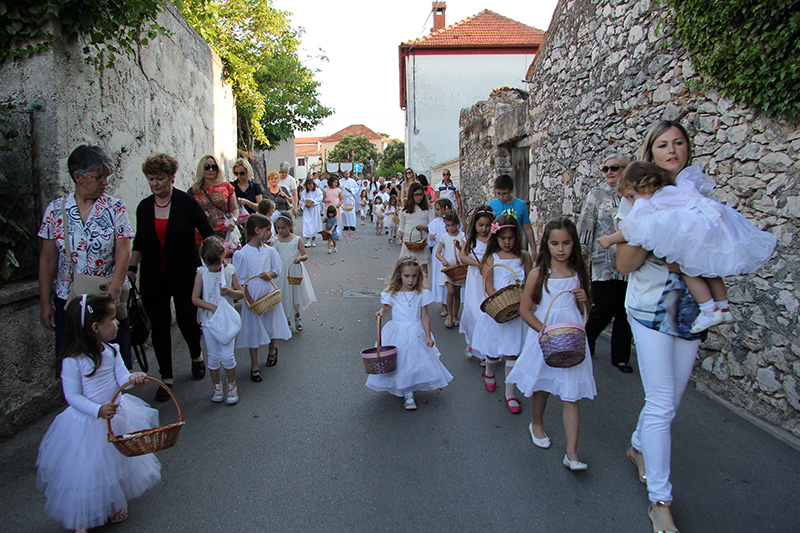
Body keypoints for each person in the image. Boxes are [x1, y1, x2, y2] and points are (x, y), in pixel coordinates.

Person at [615, 119, 722, 533]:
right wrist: (655, 225)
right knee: (660, 402)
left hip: (692, 311)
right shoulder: (637, 200)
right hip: (649, 309)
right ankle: (660, 500)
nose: (672, 150)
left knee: (671, 403)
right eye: (663, 145)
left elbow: (714, 254)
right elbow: (625, 264)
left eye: (679, 143)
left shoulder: (698, 196)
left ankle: (638, 446)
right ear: (651, 153)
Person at [600, 160, 776, 333]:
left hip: (689, 239)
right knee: (710, 270)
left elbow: (634, 229)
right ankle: (723, 306)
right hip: (710, 228)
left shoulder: (648, 203)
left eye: (631, 196)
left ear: (646, 185)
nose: (632, 202)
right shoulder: (676, 190)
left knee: (687, 269)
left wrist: (610, 239)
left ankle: (709, 310)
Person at [36, 294, 160, 532]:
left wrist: (133, 379)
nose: (117, 324)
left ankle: (114, 502)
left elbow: (122, 378)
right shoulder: (73, 360)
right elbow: (72, 396)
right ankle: (81, 516)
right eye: (112, 319)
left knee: (116, 465)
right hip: (88, 423)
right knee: (87, 472)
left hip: (116, 416)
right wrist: (97, 410)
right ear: (95, 327)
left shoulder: (112, 351)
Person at [507, 218, 596, 471]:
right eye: (555, 243)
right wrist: (544, 331)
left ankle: (572, 453)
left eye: (566, 243)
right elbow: (525, 310)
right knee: (543, 386)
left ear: (573, 244)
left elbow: (585, 310)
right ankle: (536, 423)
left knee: (571, 394)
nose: (561, 249)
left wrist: (584, 299)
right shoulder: (539, 274)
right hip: (545, 337)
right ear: (546, 244)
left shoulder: (578, 273)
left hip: (571, 337)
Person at [38, 145, 134, 367]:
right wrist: (45, 303)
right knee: (74, 362)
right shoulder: (55, 210)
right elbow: (48, 259)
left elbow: (124, 251)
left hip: (106, 296)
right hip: (70, 300)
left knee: (112, 360)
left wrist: (116, 289)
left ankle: (117, 400)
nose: (104, 183)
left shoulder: (114, 208)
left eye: (106, 177)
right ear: (77, 177)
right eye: (98, 177)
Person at [129, 153, 215, 400]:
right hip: (154, 275)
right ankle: (166, 376)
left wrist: (215, 260)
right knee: (159, 325)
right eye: (151, 179)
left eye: (160, 178)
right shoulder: (144, 207)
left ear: (171, 177)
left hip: (184, 272)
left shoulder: (186, 203)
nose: (155, 183)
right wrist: (133, 269)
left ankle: (196, 354)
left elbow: (207, 232)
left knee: (188, 321)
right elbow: (140, 241)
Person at [366, 257, 453, 410]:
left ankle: (409, 392)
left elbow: (424, 315)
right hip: (397, 332)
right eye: (407, 276)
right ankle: (404, 388)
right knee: (400, 361)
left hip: (415, 331)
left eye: (414, 276)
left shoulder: (421, 294)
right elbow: (387, 309)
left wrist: (427, 335)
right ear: (399, 275)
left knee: (412, 361)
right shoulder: (392, 294)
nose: (411, 280)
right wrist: (381, 312)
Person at [576, 155, 634, 373]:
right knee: (602, 308)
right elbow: (586, 225)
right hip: (604, 263)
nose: (609, 172)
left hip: (629, 263)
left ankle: (620, 357)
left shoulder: (632, 195)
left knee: (624, 311)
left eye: (615, 168)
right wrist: (582, 256)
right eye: (605, 168)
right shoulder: (597, 195)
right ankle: (586, 339)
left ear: (625, 170)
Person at [472, 214, 532, 414]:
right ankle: (489, 371)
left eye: (511, 238)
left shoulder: (524, 257)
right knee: (493, 350)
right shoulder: (491, 258)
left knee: (513, 351)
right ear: (495, 237)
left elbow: (531, 282)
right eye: (502, 238)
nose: (507, 242)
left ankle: (510, 392)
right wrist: (499, 301)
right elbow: (488, 284)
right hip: (498, 311)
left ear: (517, 237)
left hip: (517, 312)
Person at [232, 215, 292, 380]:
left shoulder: (270, 251)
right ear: (257, 231)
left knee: (271, 323)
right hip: (252, 297)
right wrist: (249, 299)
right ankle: (254, 364)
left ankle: (272, 348)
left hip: (268, 294)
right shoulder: (242, 254)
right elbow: (241, 279)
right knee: (253, 329)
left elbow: (277, 269)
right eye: (267, 230)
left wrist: (270, 274)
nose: (270, 234)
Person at [192, 236, 244, 404]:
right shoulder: (201, 273)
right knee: (213, 357)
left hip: (226, 321)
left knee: (228, 356)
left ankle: (231, 384)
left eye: (217, 263)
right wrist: (211, 307)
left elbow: (241, 293)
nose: (214, 267)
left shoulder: (229, 271)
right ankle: (216, 385)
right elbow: (194, 298)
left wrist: (229, 292)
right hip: (209, 321)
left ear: (223, 256)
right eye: (210, 264)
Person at [459, 206, 495, 362]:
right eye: (480, 225)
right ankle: (472, 342)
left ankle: (485, 350)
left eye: (487, 225)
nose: (484, 228)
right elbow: (463, 257)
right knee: (473, 312)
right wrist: (478, 263)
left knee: (486, 314)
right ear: (474, 225)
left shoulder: (494, 239)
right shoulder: (470, 239)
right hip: (475, 278)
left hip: (490, 278)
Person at [272, 213, 317, 332]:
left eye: (283, 228)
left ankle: (297, 316)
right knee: (283, 295)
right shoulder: (276, 240)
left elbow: (305, 255)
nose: (280, 230)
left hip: (294, 270)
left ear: (290, 226)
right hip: (281, 271)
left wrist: (300, 259)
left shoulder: (297, 240)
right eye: (278, 228)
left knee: (295, 295)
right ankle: (286, 319)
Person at [188, 155, 237, 243]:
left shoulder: (226, 187)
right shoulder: (193, 191)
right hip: (200, 235)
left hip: (223, 233)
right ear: (201, 169)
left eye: (214, 167)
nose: (210, 170)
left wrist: (233, 220)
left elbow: (234, 208)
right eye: (207, 167)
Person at [489, 174, 537, 254]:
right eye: (498, 193)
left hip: (516, 245)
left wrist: (534, 248)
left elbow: (527, 227)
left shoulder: (521, 205)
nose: (501, 197)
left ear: (511, 190)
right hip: (498, 247)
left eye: (504, 193)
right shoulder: (492, 205)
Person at [436, 210, 465, 329]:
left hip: (458, 267)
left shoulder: (462, 236)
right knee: (451, 291)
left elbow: (465, 250)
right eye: (448, 225)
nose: (451, 228)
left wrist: (459, 246)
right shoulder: (444, 236)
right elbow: (438, 253)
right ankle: (449, 314)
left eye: (453, 225)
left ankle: (455, 315)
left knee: (457, 293)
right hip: (448, 267)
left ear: (457, 224)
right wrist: (442, 260)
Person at [397, 183, 434, 275]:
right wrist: (399, 234)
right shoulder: (404, 211)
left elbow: (433, 227)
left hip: (422, 244)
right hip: (409, 244)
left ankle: (422, 289)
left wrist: (424, 228)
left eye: (421, 194)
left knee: (423, 271)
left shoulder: (427, 210)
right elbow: (401, 227)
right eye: (416, 195)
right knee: (406, 269)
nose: (419, 197)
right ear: (411, 195)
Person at [428, 198, 452, 318]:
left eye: (438, 209)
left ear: (446, 209)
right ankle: (443, 304)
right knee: (441, 278)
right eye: (435, 209)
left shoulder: (453, 222)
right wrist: (431, 238)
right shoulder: (433, 223)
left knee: (451, 278)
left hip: (450, 252)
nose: (436, 212)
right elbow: (430, 242)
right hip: (439, 253)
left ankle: (451, 304)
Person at [300, 179, 323, 247]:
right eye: (308, 185)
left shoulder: (317, 191)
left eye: (311, 185)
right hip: (307, 210)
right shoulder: (304, 192)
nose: (310, 186)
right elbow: (301, 201)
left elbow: (320, 198)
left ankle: (313, 240)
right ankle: (308, 240)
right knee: (307, 224)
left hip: (315, 209)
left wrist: (313, 202)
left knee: (315, 224)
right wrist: (305, 205)